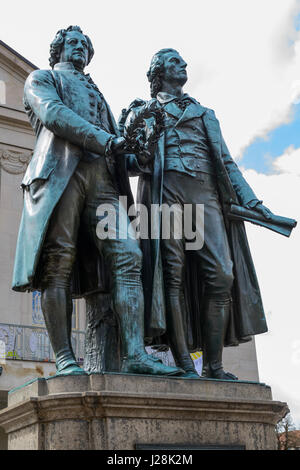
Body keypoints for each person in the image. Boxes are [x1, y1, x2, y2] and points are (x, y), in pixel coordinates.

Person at [12, 29, 182, 378]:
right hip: (60, 174)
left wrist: (140, 155)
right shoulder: (41, 79)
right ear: (58, 49)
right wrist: (109, 140)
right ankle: (64, 358)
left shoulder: (99, 95)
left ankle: (135, 353)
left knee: (129, 255)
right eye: (73, 43)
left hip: (103, 180)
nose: (80, 49)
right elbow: (55, 115)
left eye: (85, 46)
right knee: (56, 263)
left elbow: (118, 151)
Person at [123, 48, 271, 379]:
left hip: (205, 196)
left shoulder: (205, 114)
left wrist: (253, 201)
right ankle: (188, 364)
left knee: (222, 275)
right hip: (165, 196)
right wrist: (142, 159)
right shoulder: (143, 112)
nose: (185, 65)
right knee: (171, 277)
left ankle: (215, 365)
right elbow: (125, 162)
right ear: (159, 71)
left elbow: (227, 163)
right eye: (176, 61)